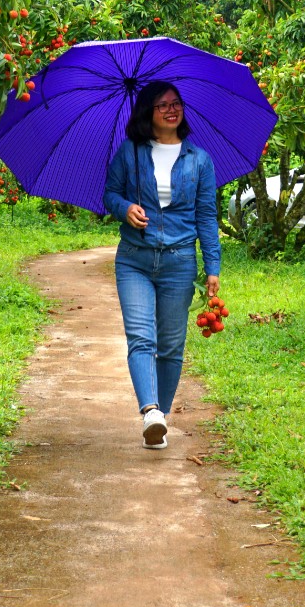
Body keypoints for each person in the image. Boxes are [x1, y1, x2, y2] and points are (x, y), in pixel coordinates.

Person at [102, 80, 220, 450]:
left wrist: (212, 266)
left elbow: (206, 216)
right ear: (147, 112)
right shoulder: (130, 152)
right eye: (163, 105)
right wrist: (125, 208)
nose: (172, 110)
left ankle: (161, 420)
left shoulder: (199, 160)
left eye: (176, 103)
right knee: (141, 337)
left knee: (170, 345)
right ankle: (150, 411)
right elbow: (110, 194)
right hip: (134, 259)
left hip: (179, 262)